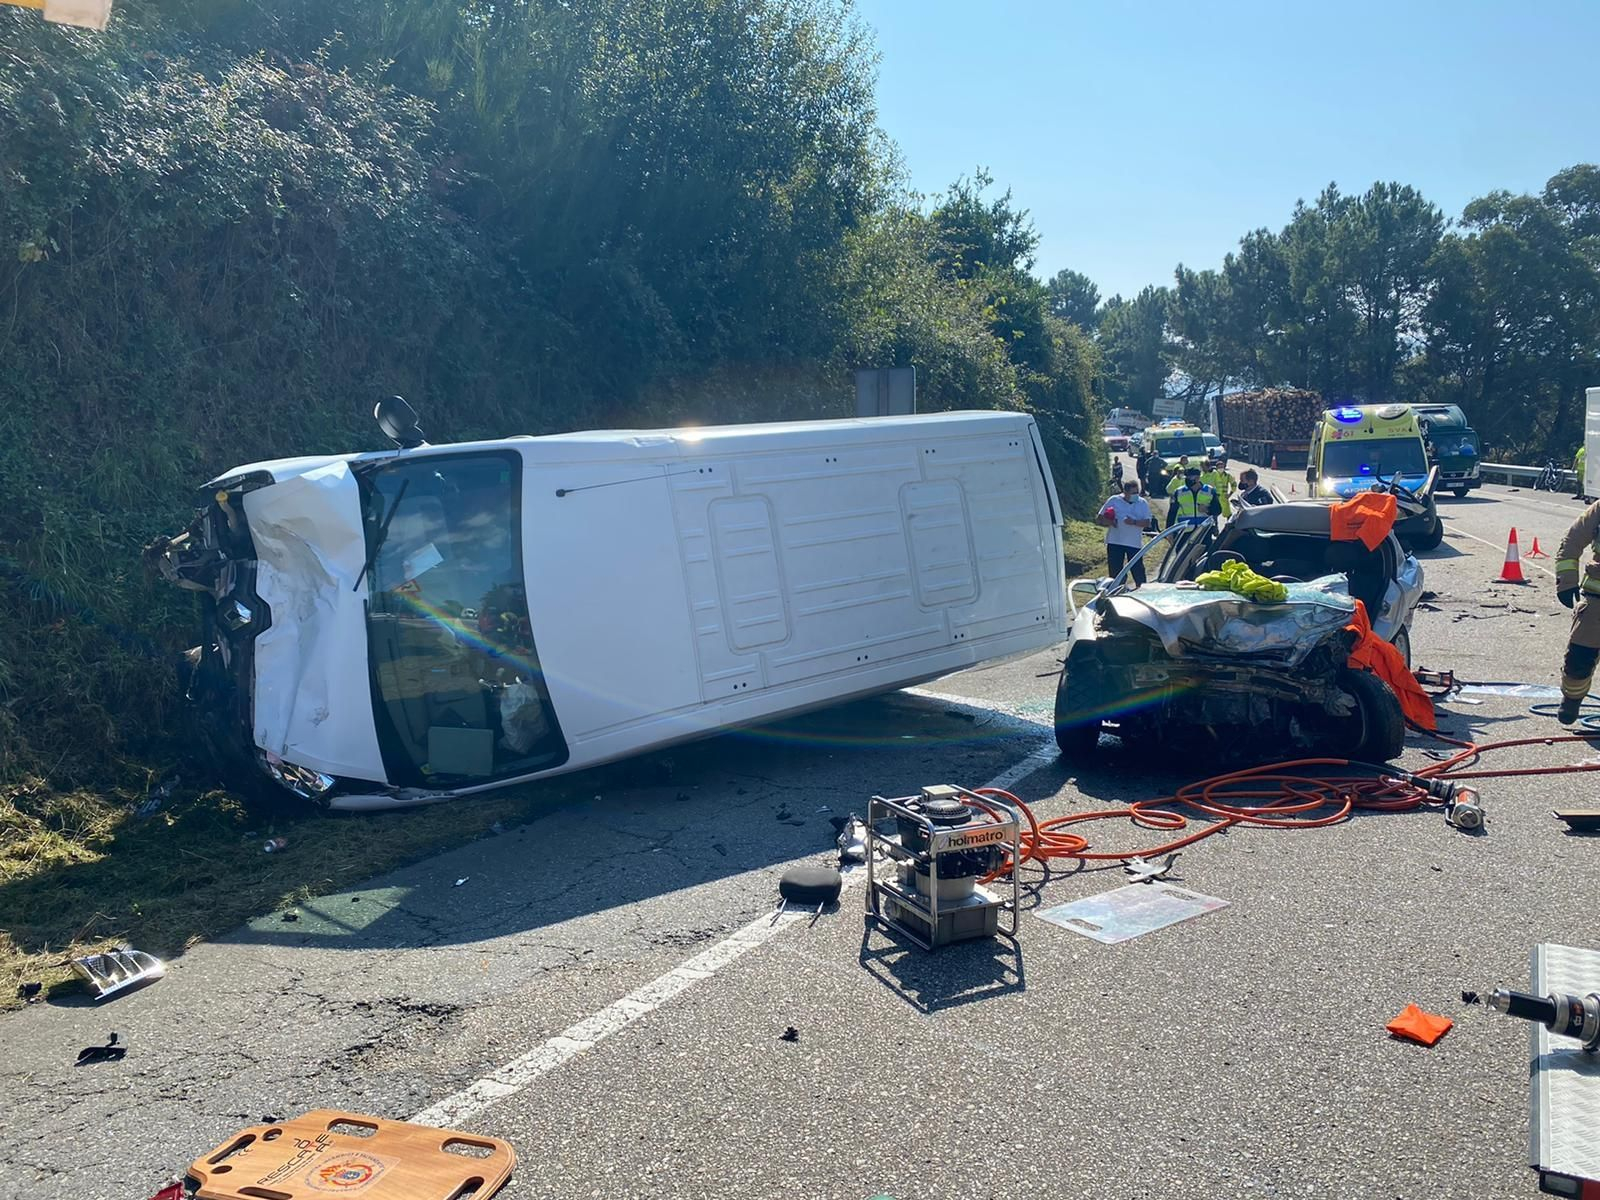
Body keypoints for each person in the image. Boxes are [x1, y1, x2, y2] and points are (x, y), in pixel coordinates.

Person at [1554, 500, 1600, 723]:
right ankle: (1572, 700)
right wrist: (1566, 581)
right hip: (1597, 601)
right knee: (1579, 659)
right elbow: (1572, 541)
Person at [1099, 478, 1154, 586]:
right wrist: (1110, 521)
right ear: (1125, 492)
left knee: (1138, 570)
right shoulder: (1114, 500)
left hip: (1133, 543)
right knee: (1115, 571)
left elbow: (1147, 522)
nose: (1136, 495)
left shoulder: (1142, 503)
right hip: (1115, 541)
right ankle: (1117, 590)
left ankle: (1141, 589)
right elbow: (1100, 518)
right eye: (1133, 493)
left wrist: (1133, 522)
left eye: (1137, 492)